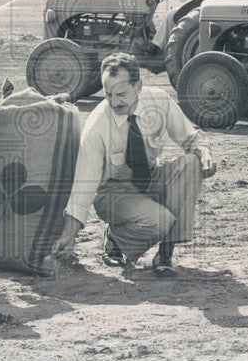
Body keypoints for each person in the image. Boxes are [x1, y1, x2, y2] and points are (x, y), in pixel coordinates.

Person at [50, 53, 216, 277]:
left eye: (121, 94)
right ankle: (116, 238)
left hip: (150, 178)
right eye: (108, 94)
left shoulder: (159, 100)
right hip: (113, 192)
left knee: (189, 163)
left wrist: (204, 152)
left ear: (138, 86)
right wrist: (68, 236)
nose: (114, 102)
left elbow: (191, 138)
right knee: (159, 221)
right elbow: (83, 187)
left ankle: (165, 255)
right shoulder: (96, 128)